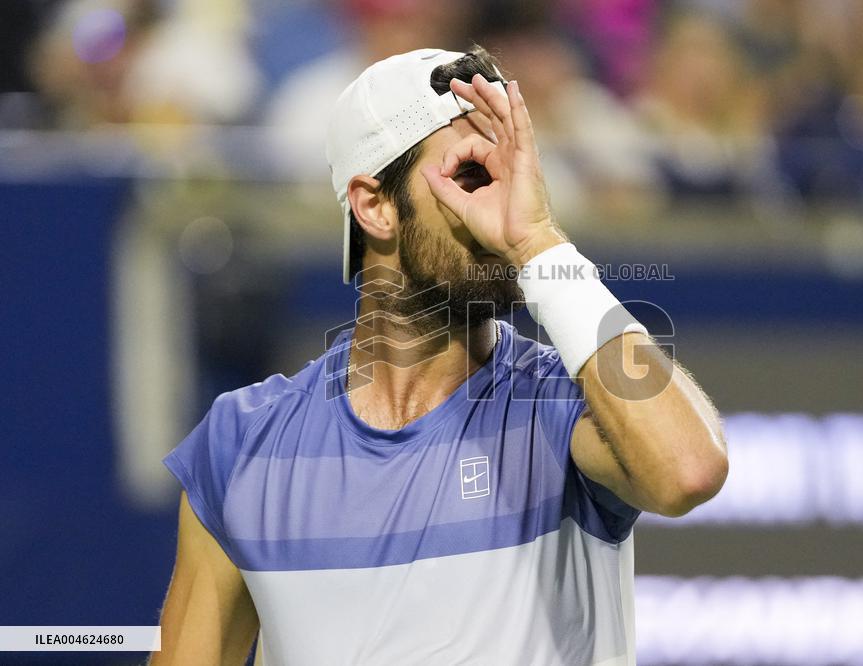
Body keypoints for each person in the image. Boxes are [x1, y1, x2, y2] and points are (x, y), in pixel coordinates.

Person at [151, 47, 728, 665]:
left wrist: (539, 242)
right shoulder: (241, 446)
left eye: (518, 172)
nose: (503, 203)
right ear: (374, 206)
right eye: (474, 174)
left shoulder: (566, 407)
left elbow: (688, 471)